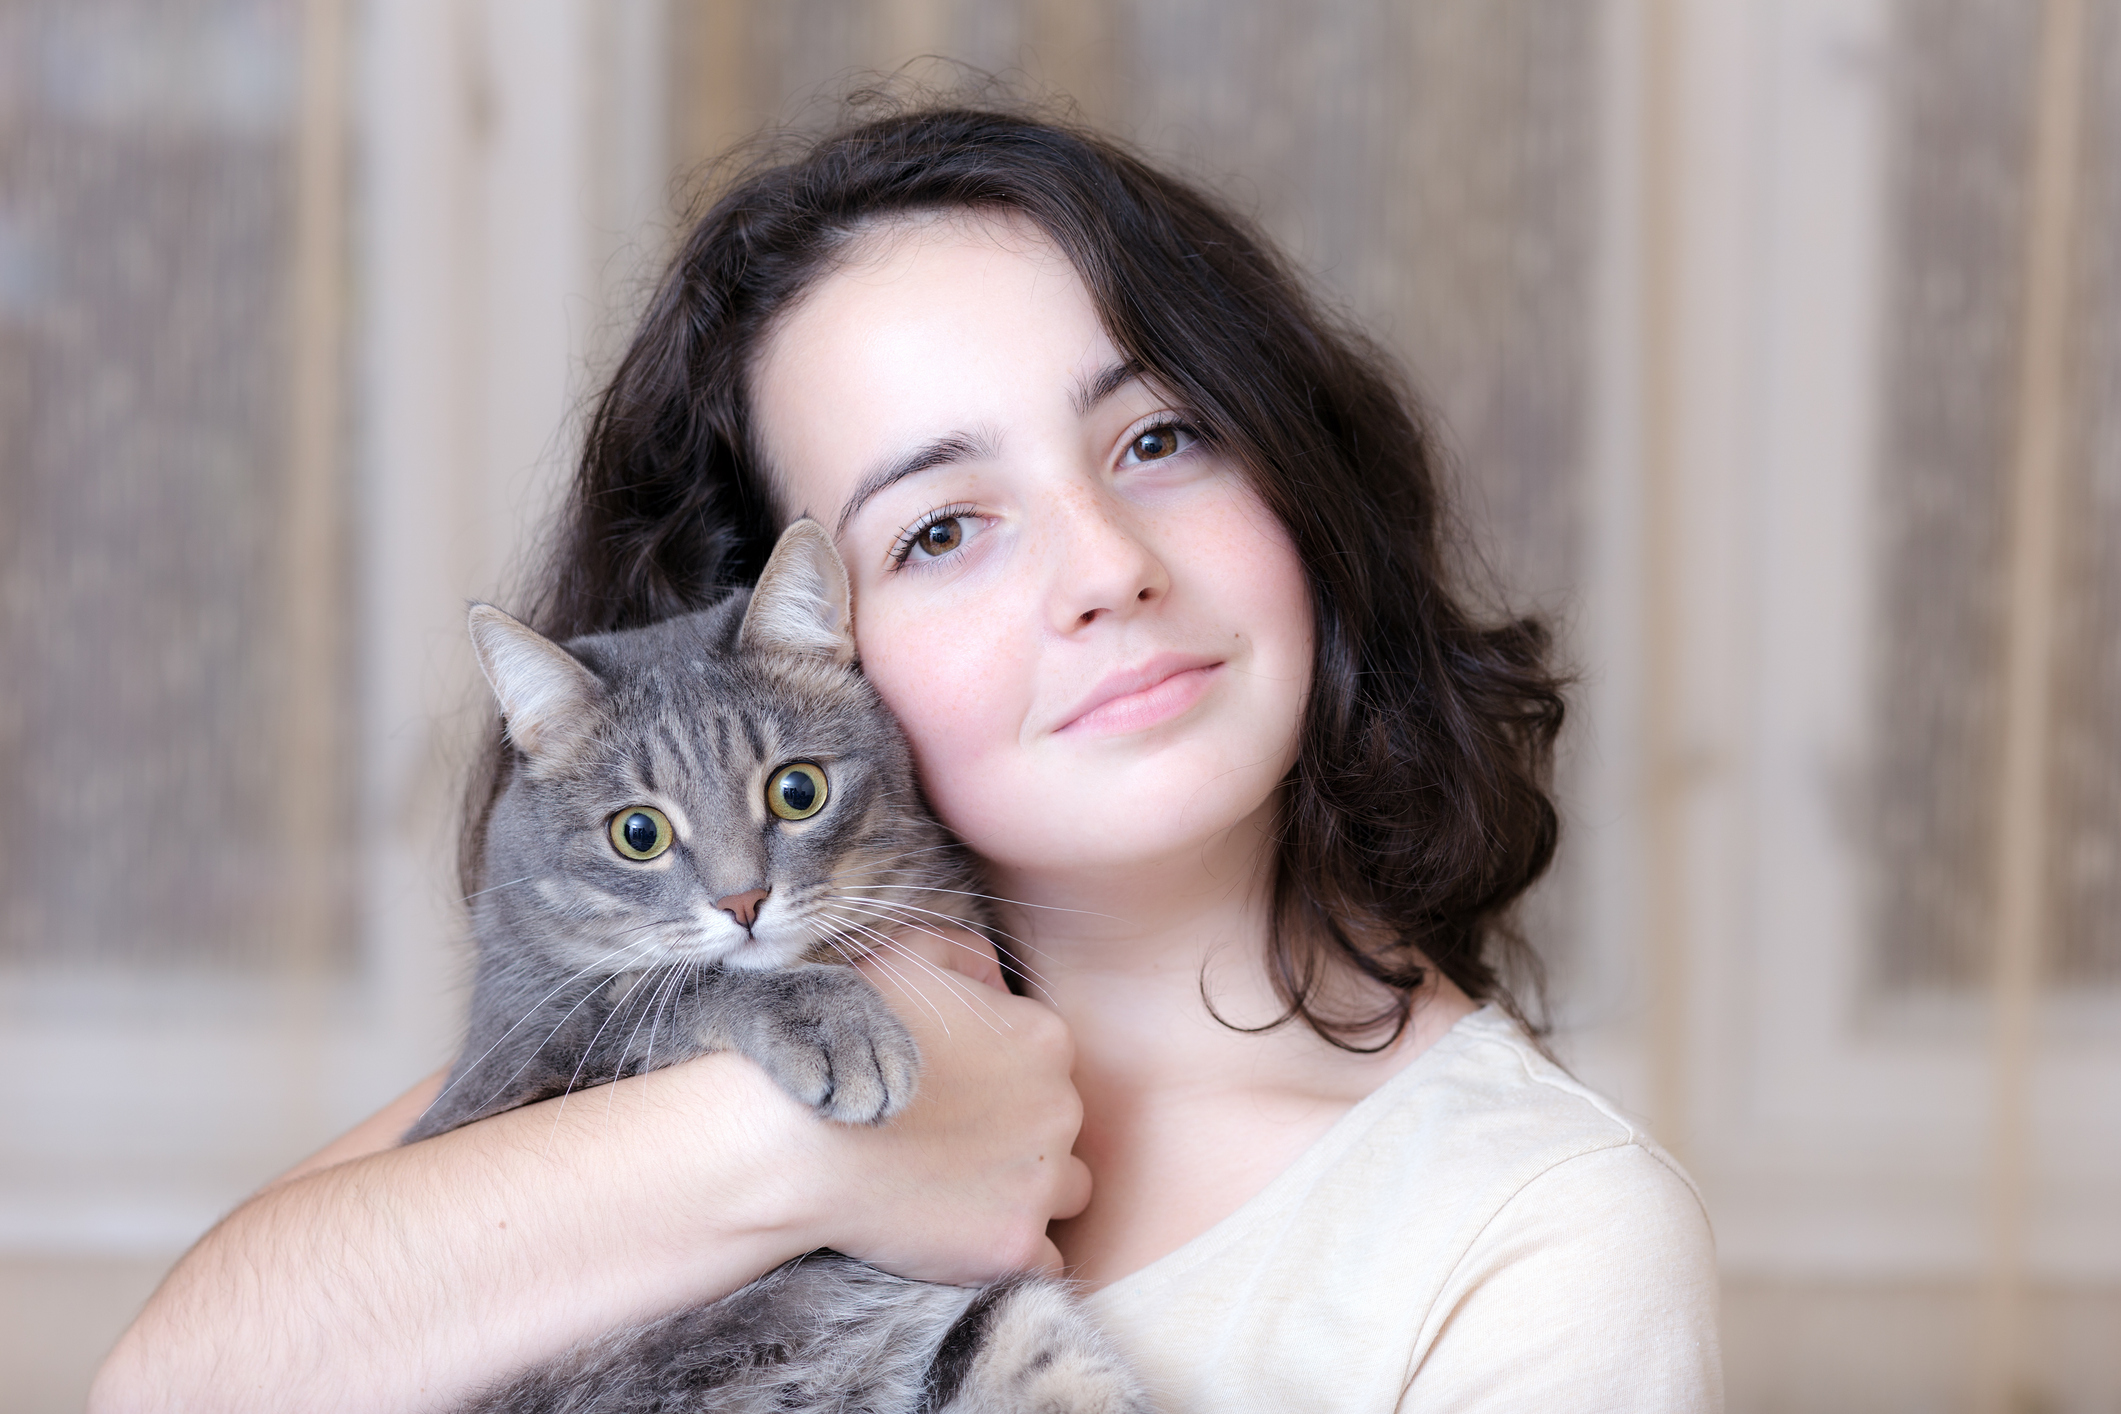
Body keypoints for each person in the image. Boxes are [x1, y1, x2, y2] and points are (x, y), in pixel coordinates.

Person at [93, 102, 1721, 1412]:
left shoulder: (1544, 1236)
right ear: (801, 645)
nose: (1102, 566)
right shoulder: (671, 1018)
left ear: (1295, 468)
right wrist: (775, 1143)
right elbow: (164, 1388)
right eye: (941, 528)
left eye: (1158, 437)